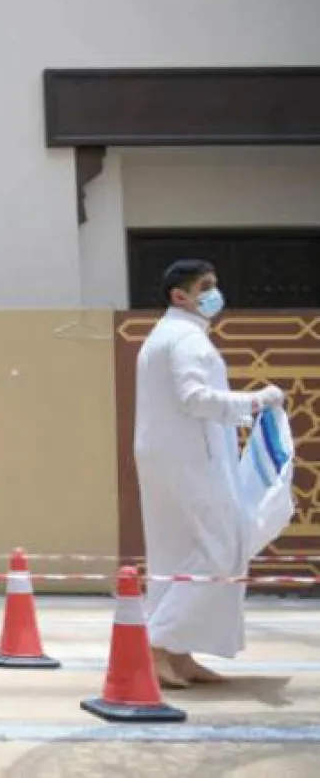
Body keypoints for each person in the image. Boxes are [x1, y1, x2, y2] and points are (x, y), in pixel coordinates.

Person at [133, 259, 284, 688]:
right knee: (222, 548)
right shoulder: (185, 338)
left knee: (176, 556)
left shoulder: (166, 335)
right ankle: (158, 646)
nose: (215, 293)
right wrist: (257, 401)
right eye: (206, 286)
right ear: (180, 296)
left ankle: (179, 655)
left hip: (172, 456)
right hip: (190, 458)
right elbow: (195, 398)